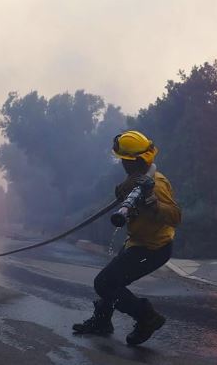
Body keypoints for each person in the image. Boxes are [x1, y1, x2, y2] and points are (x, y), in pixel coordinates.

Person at [73, 130, 181, 346]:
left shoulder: (157, 185)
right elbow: (121, 194)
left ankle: (147, 317)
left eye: (124, 159)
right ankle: (102, 321)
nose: (122, 163)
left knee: (104, 283)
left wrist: (154, 204)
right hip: (136, 242)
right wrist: (128, 188)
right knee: (114, 280)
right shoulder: (137, 178)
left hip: (153, 249)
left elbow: (176, 217)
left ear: (134, 162)